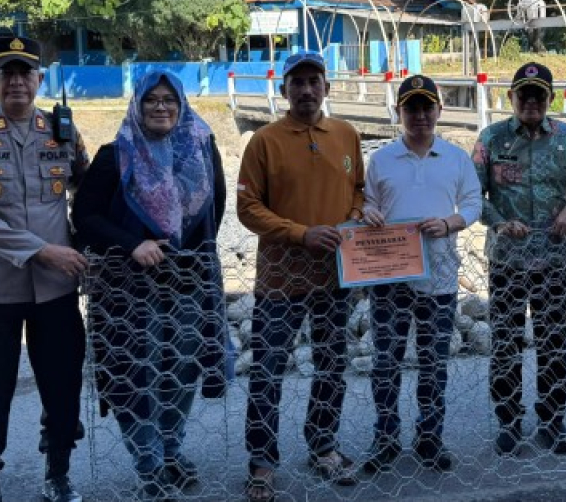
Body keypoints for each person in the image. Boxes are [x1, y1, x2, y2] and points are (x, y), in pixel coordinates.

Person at [0, 36, 90, 502]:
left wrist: (96, 243)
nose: (17, 82)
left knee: (63, 387)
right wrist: (43, 250)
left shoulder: (62, 129)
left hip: (56, 289)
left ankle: (58, 472)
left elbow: (86, 194)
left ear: (39, 79)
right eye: (6, 73)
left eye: (26, 72)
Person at [71, 70, 228, 501]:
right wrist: (131, 243)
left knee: (180, 373)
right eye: (151, 100)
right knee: (133, 376)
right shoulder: (114, 156)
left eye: (169, 99)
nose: (161, 107)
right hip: (126, 291)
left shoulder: (200, 148)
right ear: (137, 106)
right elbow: (84, 218)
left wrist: (192, 256)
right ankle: (149, 463)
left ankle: (172, 450)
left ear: (182, 103)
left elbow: (216, 206)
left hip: (186, 285)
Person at [237, 51, 365, 501]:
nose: (307, 90)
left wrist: (352, 218)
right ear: (283, 90)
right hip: (279, 281)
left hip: (334, 279)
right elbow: (248, 208)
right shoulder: (263, 142)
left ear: (327, 87)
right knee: (268, 372)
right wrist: (300, 234)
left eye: (314, 81)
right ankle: (261, 463)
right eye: (297, 82)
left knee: (331, 366)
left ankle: (323, 445)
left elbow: (360, 191)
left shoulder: (346, 135)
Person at [472, 61, 566, 456]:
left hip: (553, 261)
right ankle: (509, 421)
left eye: (539, 95)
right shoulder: (490, 140)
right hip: (507, 260)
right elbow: (472, 196)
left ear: (549, 99)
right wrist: (498, 222)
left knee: (553, 343)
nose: (531, 102)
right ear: (510, 98)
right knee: (506, 342)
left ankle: (552, 420)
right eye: (523, 95)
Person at [359, 74, 482, 474]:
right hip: (389, 278)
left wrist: (450, 223)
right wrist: (366, 212)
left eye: (427, 107)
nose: (420, 115)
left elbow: (473, 203)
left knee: (433, 364)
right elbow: (365, 203)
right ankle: (386, 438)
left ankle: (430, 438)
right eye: (411, 107)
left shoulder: (456, 158)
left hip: (440, 279)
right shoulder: (380, 159)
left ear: (439, 111)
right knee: (385, 362)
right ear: (400, 112)